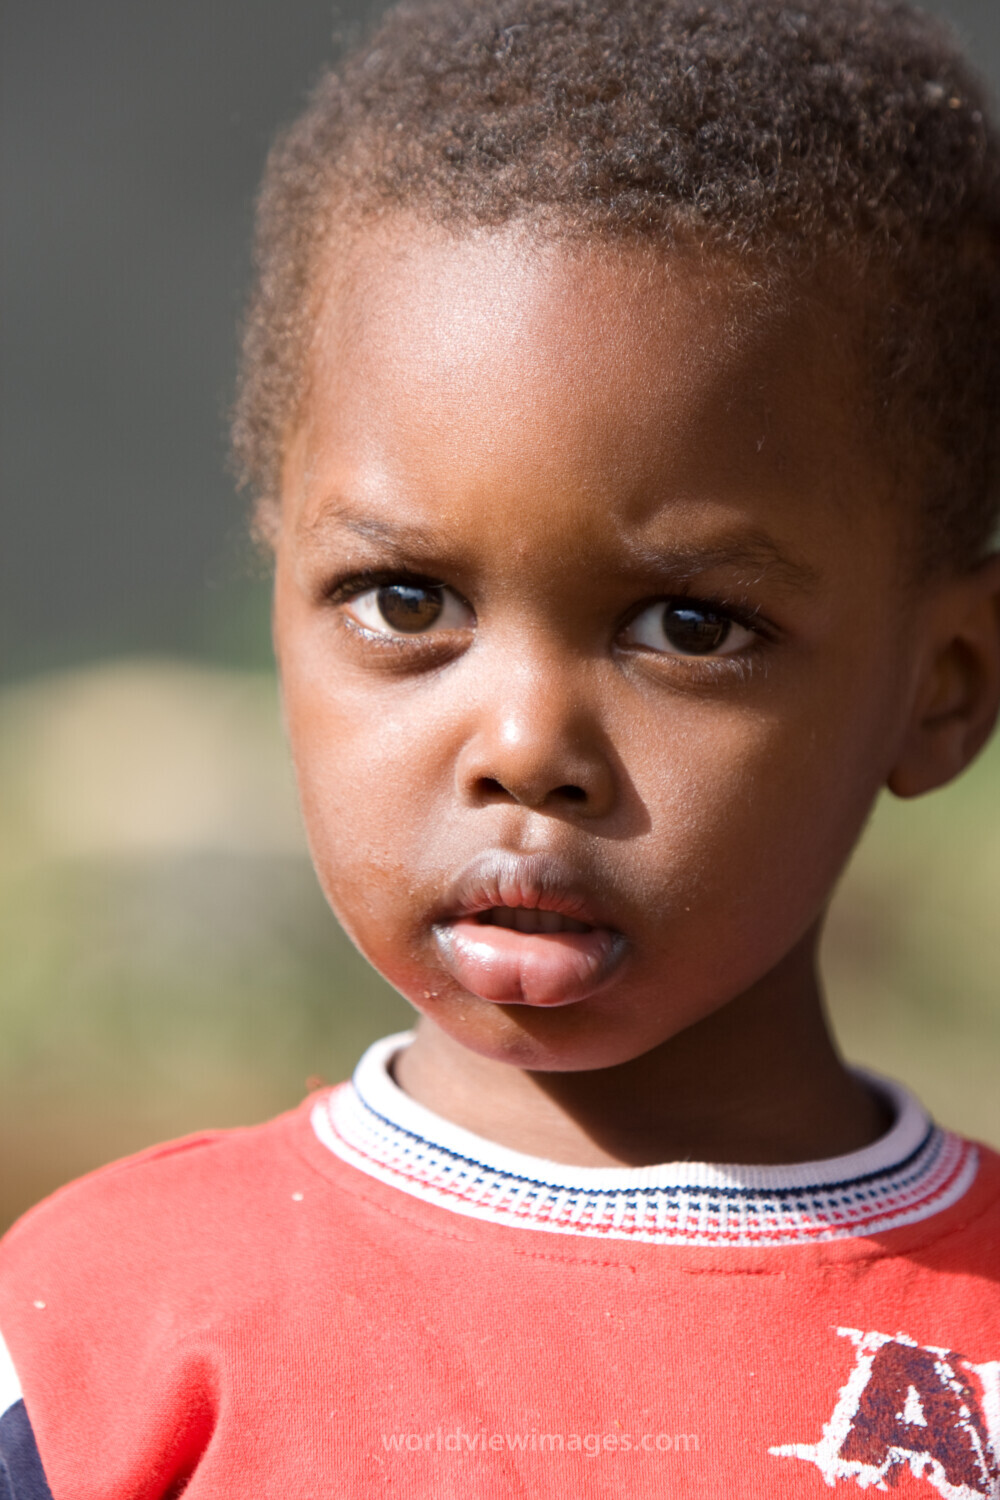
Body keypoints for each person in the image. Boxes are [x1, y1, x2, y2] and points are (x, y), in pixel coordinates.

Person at [3, 0, 1000, 1494]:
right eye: (406, 601)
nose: (526, 747)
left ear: (946, 684)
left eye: (686, 626)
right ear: (278, 602)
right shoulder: (98, 1329)